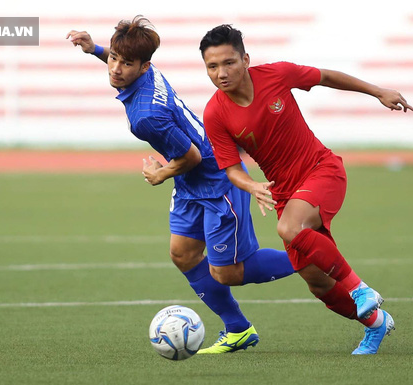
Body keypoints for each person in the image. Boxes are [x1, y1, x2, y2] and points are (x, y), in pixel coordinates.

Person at [66, 16, 295, 354]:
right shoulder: (147, 71)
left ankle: (310, 256)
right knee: (183, 255)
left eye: (125, 63)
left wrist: (160, 174)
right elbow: (122, 61)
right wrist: (94, 49)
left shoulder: (146, 117)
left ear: (143, 68)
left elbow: (191, 157)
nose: (115, 68)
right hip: (191, 183)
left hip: (216, 177)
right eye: (113, 58)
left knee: (228, 271)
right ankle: (238, 329)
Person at [199, 24, 413, 355]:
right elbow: (230, 169)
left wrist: (377, 91)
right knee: (317, 282)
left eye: (228, 63)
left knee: (288, 228)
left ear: (245, 59)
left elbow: (326, 76)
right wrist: (252, 185)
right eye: (212, 66)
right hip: (284, 193)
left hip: (321, 170)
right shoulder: (215, 113)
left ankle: (360, 289)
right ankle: (375, 324)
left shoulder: (277, 75)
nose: (221, 73)